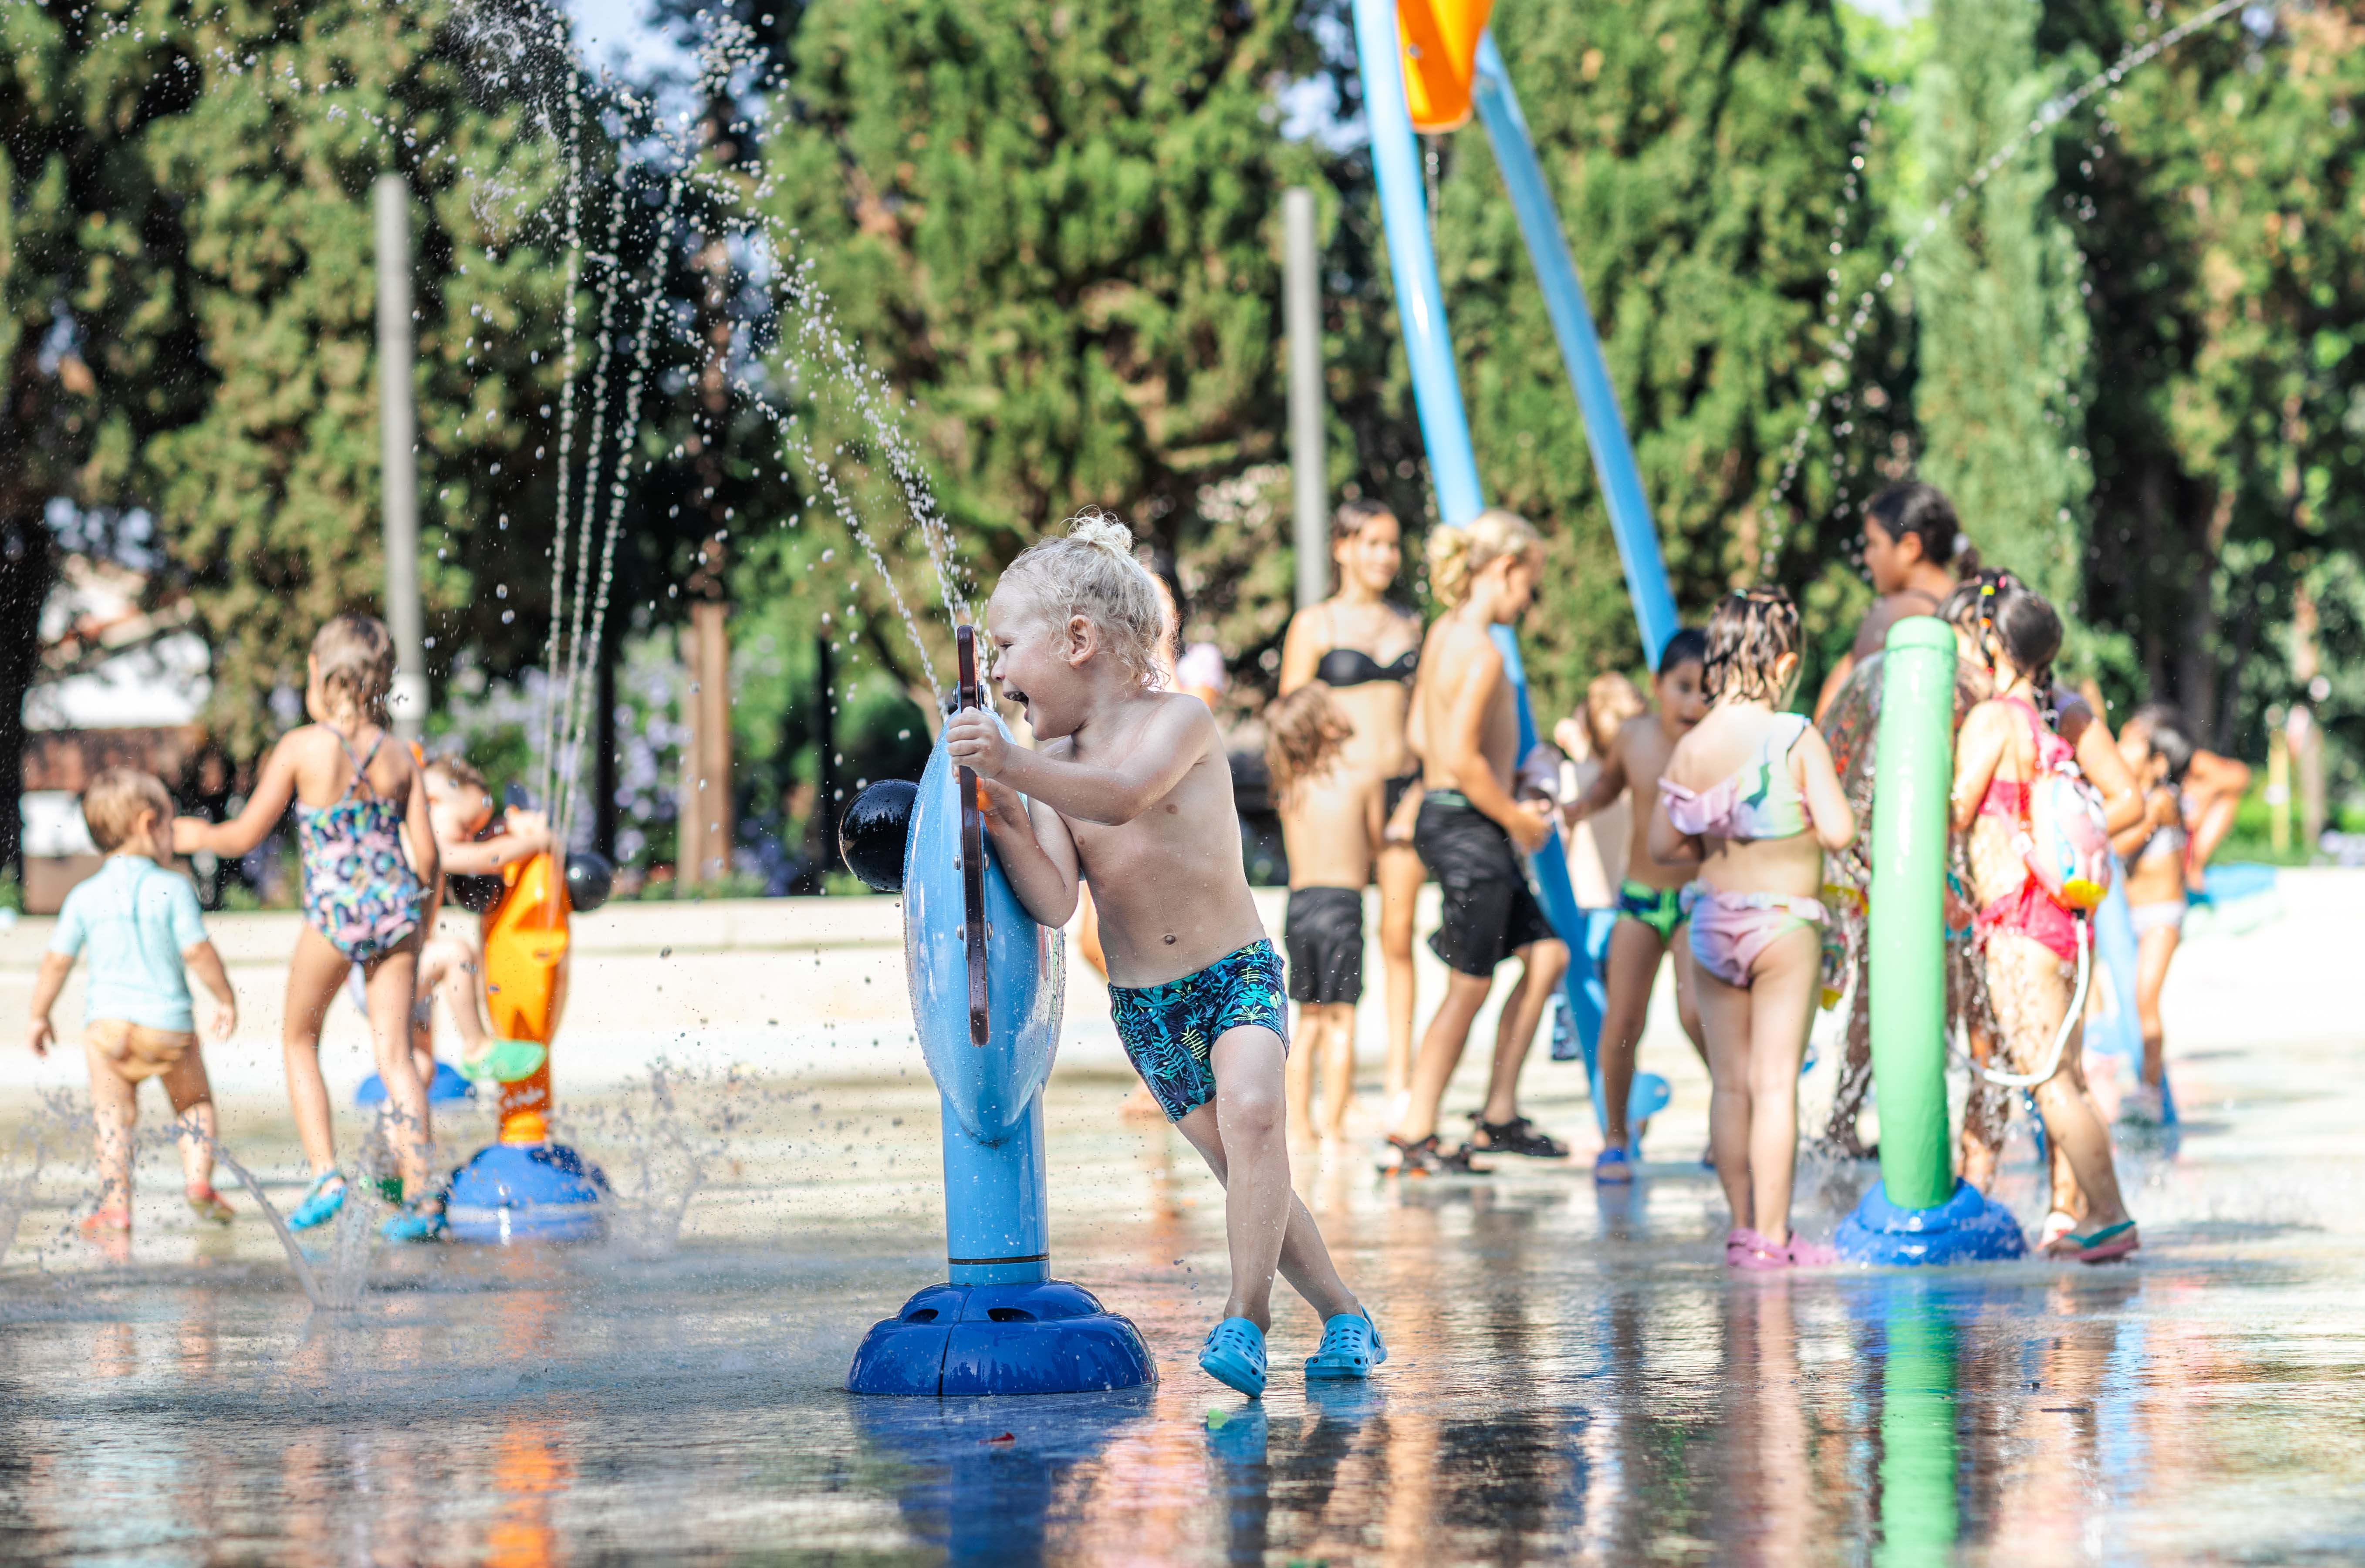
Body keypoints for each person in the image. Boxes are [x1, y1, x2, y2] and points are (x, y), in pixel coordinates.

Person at [946, 512, 1379, 1398]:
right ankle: (1346, 1315)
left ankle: (1245, 1319)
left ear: (1077, 640)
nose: (994, 671)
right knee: (1245, 1172)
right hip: (1149, 1008)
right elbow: (1058, 898)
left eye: (1006, 645)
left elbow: (1121, 797)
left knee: (1256, 1117)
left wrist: (1016, 772)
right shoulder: (1046, 757)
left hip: (1234, 976)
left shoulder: (1180, 723)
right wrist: (1000, 813)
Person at [174, 615, 446, 1241]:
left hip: (331, 914)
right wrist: (420, 925)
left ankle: (326, 1174)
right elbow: (428, 857)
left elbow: (244, 835)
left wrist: (192, 834)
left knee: (299, 1038)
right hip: (395, 910)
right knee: (397, 1057)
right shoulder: (401, 755)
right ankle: (422, 1196)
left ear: (320, 675)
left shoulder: (301, 748)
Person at [1651, 589, 1855, 1268]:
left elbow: (1661, 845)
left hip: (1709, 921)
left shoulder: (1692, 745)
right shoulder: (1793, 735)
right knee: (1774, 1083)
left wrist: (1717, 839)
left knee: (1730, 1085)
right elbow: (1838, 829)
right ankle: (1774, 1234)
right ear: (1785, 662)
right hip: (1781, 924)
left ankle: (1742, 1232)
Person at [1950, 583, 2139, 1263]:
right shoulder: (2049, 723)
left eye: (1972, 639)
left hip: (2016, 928)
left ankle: (2110, 1213)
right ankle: (2088, 1212)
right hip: (2061, 922)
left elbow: (1957, 807)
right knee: (2068, 1077)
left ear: (1996, 644)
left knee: (2048, 1081)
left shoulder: (1994, 721)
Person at [1385, 510, 1570, 1175]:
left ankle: (1496, 1114)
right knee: (1468, 985)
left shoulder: (1443, 633)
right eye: (1530, 584)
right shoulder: (1485, 652)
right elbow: (1460, 758)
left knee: (1546, 954)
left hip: (1453, 816)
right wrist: (1518, 818)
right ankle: (1413, 1130)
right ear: (1504, 570)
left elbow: (1418, 736)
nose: (1529, 600)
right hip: (1470, 822)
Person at [27, 770, 240, 1239]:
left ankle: (117, 1206)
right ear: (148, 824)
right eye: (170, 822)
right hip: (167, 1025)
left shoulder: (84, 895)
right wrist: (224, 997)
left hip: (106, 1030)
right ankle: (199, 1181)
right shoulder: (174, 887)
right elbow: (197, 951)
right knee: (194, 1103)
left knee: (111, 1116)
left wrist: (39, 1013)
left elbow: (56, 962)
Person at [1278, 499, 1428, 1124]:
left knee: (1396, 936)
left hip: (1397, 789)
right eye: (1372, 544)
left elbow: (1424, 713)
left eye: (1392, 545)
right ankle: (1314, 1098)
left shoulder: (1410, 625)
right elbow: (1288, 721)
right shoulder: (1314, 626)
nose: (1385, 557)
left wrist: (1421, 788)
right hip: (1335, 795)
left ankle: (1400, 1078)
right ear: (1342, 547)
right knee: (1331, 920)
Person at [1560, 629, 1711, 1182]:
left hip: (1697, 901)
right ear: (1657, 685)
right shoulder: (1635, 737)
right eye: (1683, 687)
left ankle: (1728, 1120)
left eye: (1707, 689)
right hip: (1641, 900)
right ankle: (1617, 1137)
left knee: (1698, 1014)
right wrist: (1579, 808)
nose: (1695, 701)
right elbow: (1608, 787)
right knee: (1621, 1020)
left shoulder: (1716, 743)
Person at [1264, 683, 1382, 1148]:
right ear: (1325, 724)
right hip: (1341, 905)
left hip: (1300, 908)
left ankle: (1302, 1130)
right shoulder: (1362, 778)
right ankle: (1334, 1126)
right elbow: (1374, 842)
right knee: (1342, 1019)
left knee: (1308, 1019)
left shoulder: (1290, 785)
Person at [406, 755, 555, 1086]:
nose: (470, 839)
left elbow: (488, 844)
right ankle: (477, 1047)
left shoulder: (435, 835)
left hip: (411, 968)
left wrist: (511, 827)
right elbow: (488, 858)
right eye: (465, 828)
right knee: (458, 954)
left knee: (416, 1070)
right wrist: (536, 842)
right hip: (393, 970)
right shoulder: (423, 842)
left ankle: (396, 1135)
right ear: (430, 804)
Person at [1813, 483, 1969, 724]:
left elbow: (1835, 719)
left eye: (1874, 544)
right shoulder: (1970, 605)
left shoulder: (1891, 615)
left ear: (1909, 548)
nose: (1867, 557)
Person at [2112, 706, 2197, 1124]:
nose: (2121, 750)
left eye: (2133, 744)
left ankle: (2149, 1089)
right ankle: (2142, 1080)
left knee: (2145, 996)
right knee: (2132, 995)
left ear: (2158, 762)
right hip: (2135, 912)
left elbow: (2124, 843)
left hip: (2163, 913)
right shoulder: (2139, 797)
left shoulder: (2163, 801)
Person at [1552, 673, 1648, 907]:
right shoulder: (1642, 776)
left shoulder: (1572, 778)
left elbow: (1561, 842)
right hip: (1633, 897)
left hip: (1588, 902)